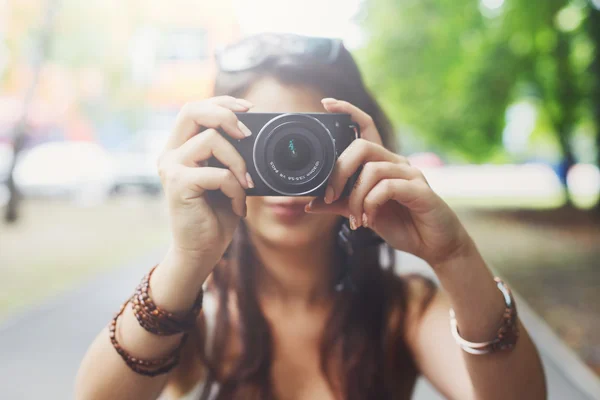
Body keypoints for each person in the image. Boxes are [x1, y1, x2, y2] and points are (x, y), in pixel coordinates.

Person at [75, 33, 546, 400]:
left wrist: (453, 254)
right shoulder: (191, 313)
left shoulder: (401, 309)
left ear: (361, 147)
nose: (289, 174)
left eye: (308, 144)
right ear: (213, 148)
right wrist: (186, 261)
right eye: (262, 144)